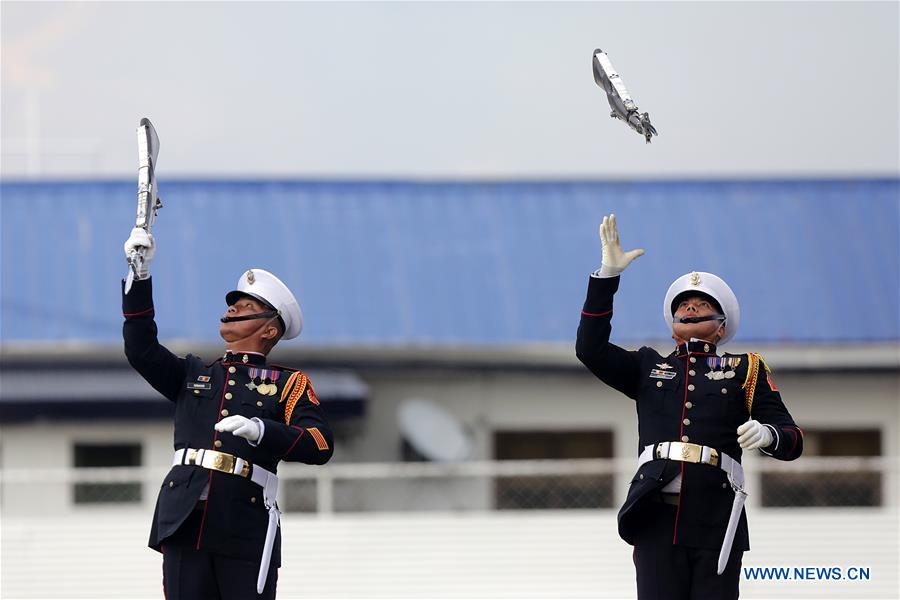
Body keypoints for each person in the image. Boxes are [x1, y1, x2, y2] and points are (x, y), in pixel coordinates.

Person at [575, 214, 803, 600]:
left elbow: (793, 440)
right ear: (673, 324)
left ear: (720, 326)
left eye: (702, 304)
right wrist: (606, 277)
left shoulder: (745, 368)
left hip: (716, 514)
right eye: (685, 305)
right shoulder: (648, 366)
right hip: (655, 514)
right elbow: (589, 350)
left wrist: (768, 434)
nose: (692, 307)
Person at [122, 227, 334, 599]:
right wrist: (139, 276)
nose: (231, 310)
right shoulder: (195, 374)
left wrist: (261, 431)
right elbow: (140, 348)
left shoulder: (287, 383)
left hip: (244, 522)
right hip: (185, 516)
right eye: (232, 305)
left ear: (270, 329)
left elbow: (320, 444)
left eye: (246, 307)